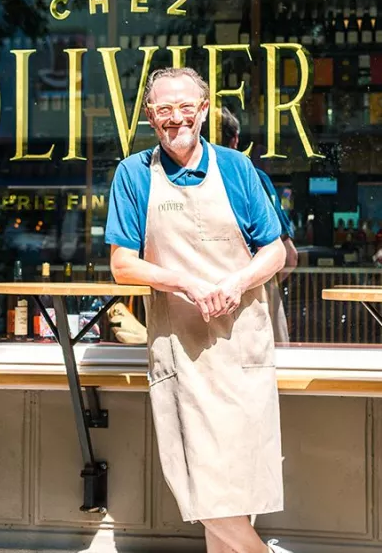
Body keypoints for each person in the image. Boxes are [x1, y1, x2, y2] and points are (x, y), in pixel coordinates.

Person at [106, 67, 292, 553]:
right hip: (181, 349)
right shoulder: (133, 174)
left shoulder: (236, 168)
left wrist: (236, 282)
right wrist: (185, 282)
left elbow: (274, 251)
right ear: (150, 117)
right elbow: (123, 265)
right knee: (201, 480)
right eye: (164, 110)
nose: (176, 119)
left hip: (240, 345)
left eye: (186, 107)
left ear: (204, 110)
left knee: (238, 483)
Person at [215, 105, 298, 344]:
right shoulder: (253, 178)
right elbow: (289, 257)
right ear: (236, 140)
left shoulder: (168, 177)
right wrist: (254, 283)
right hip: (258, 302)